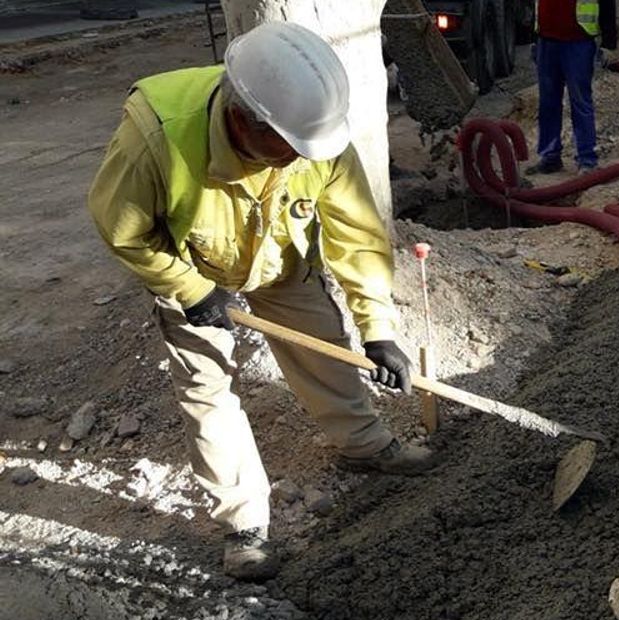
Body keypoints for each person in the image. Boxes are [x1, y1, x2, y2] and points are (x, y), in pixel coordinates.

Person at [88, 21, 432, 582]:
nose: (300, 158)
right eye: (288, 148)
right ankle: (243, 524)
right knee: (207, 387)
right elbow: (123, 231)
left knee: (324, 345)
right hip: (192, 267)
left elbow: (358, 236)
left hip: (279, 260)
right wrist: (191, 290)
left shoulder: (315, 134)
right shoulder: (158, 135)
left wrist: (378, 329)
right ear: (244, 119)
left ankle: (364, 445)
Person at [528, 0, 618, 175]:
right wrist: (533, 38)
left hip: (578, 41)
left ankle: (587, 160)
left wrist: (609, 43)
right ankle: (550, 156)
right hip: (547, 40)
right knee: (548, 103)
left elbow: (607, 3)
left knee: (580, 102)